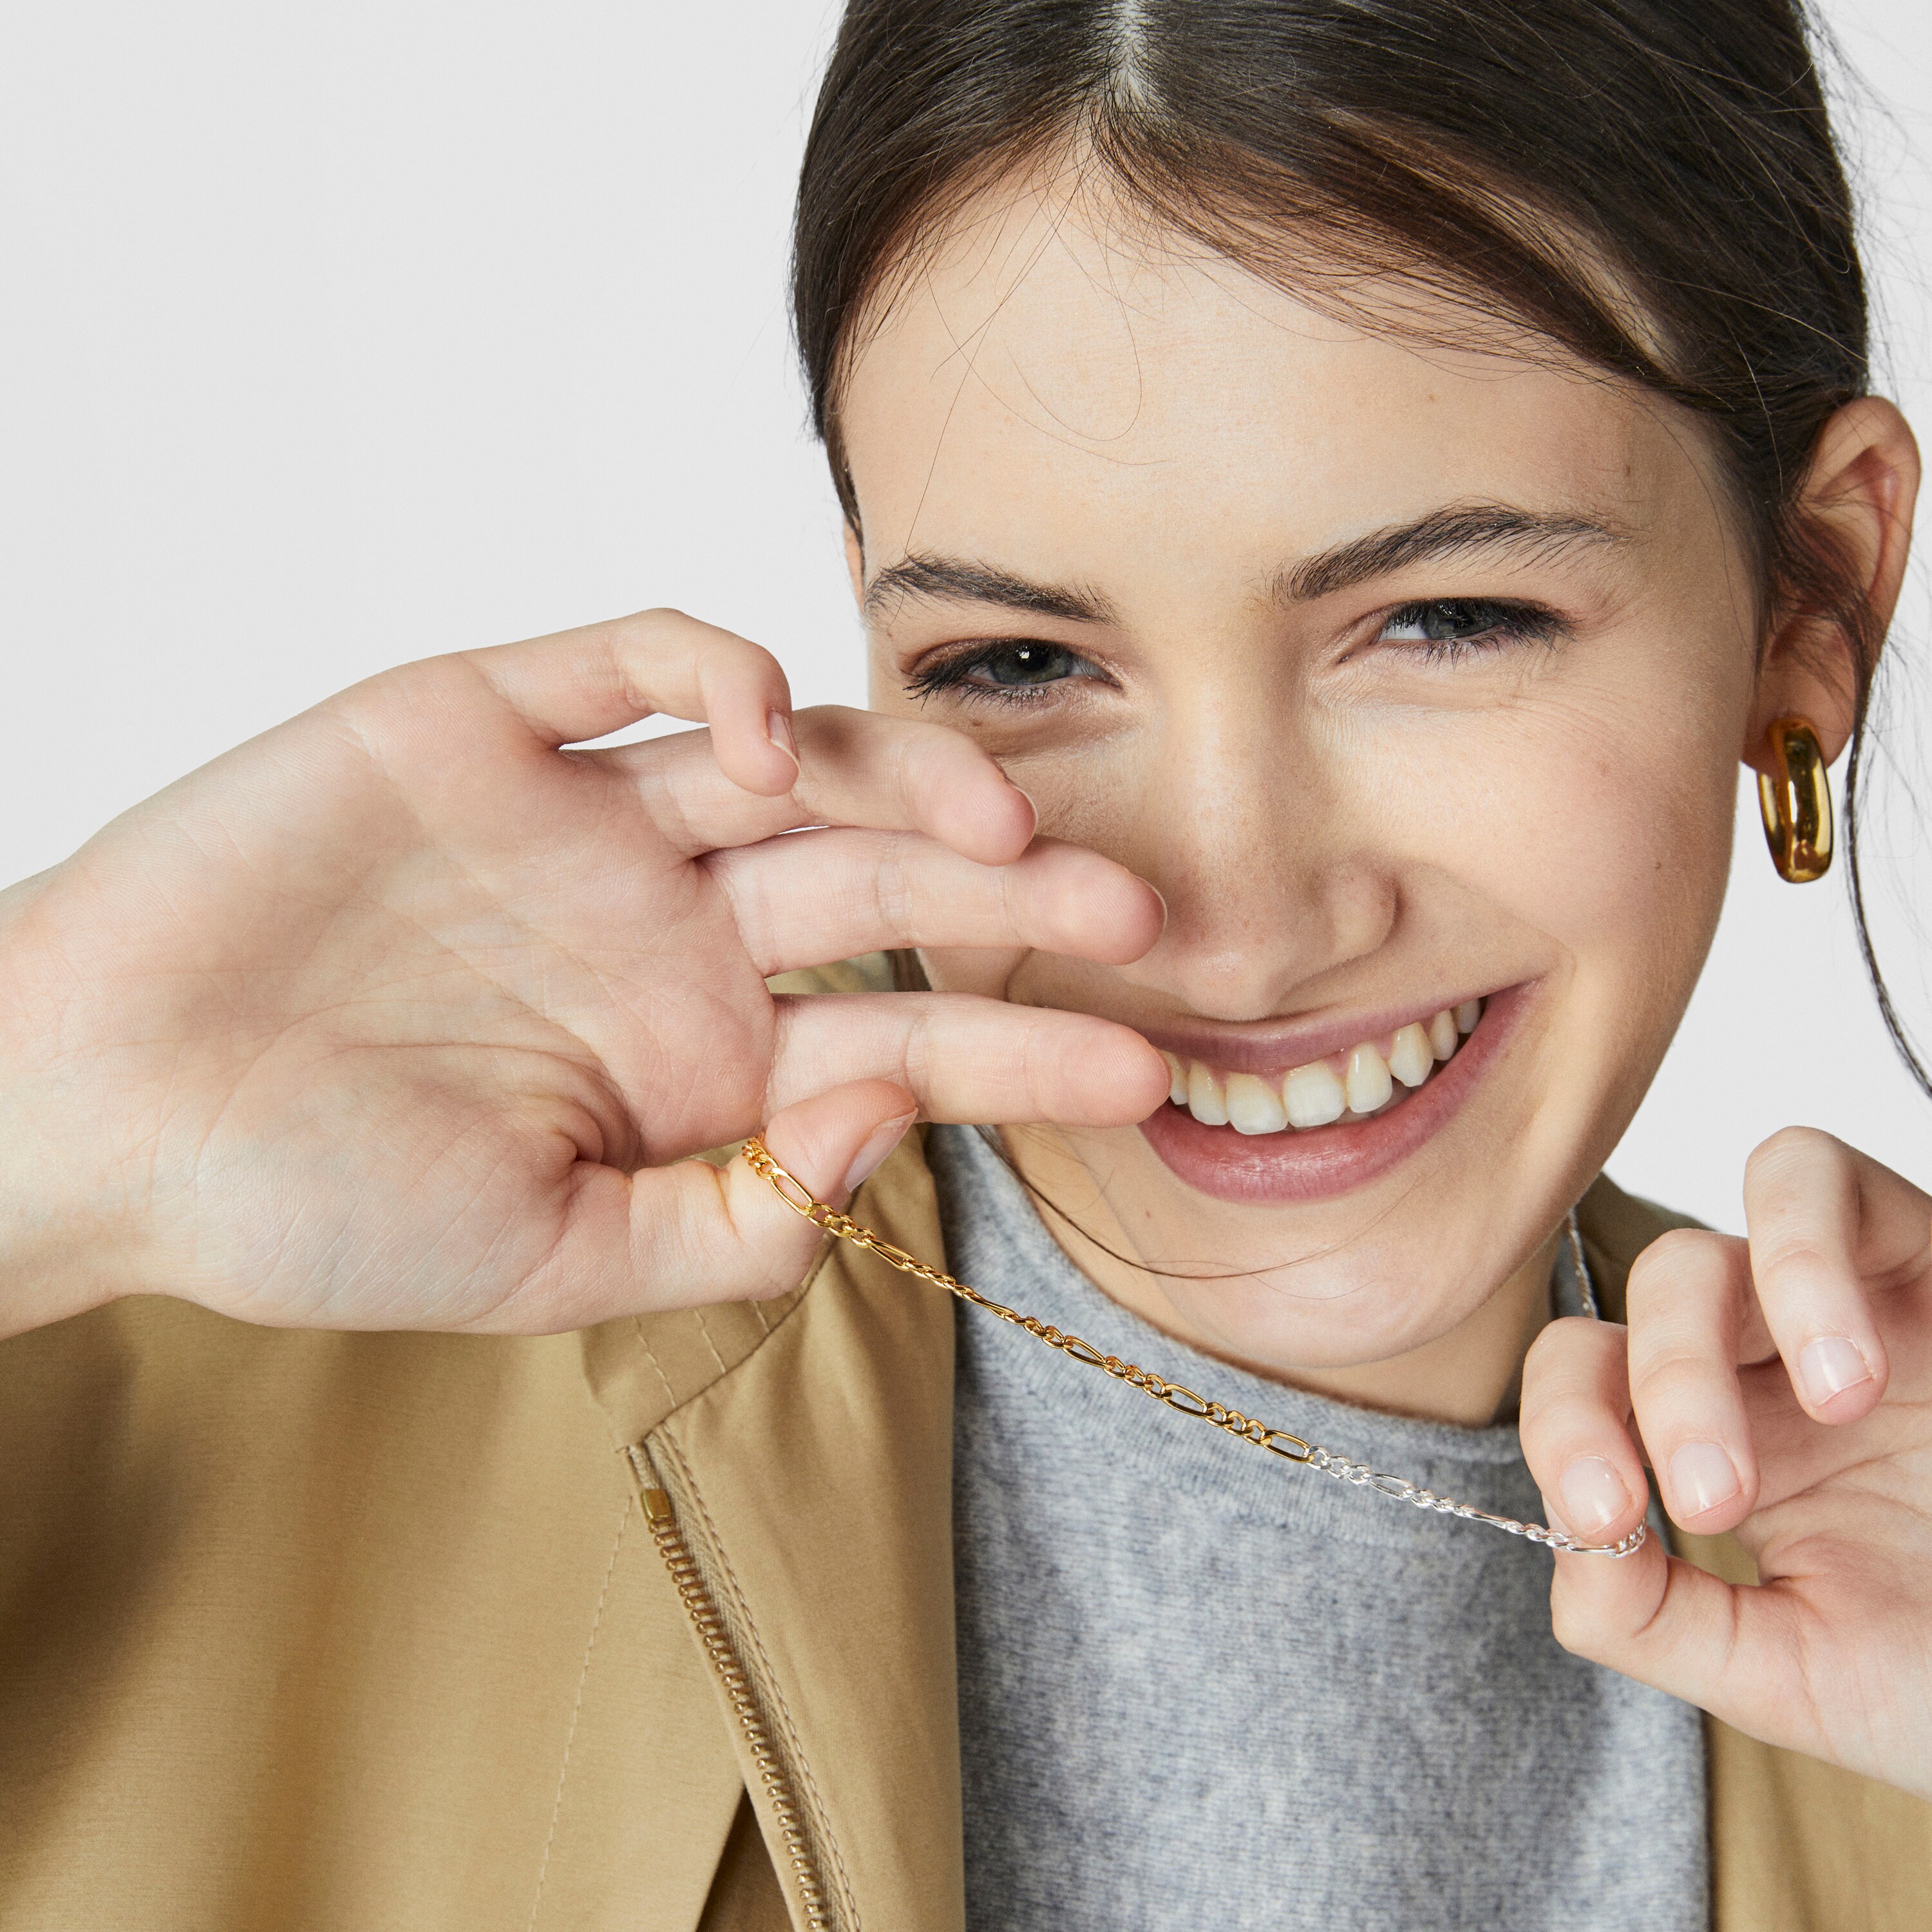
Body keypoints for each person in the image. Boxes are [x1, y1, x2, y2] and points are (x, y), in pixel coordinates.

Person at [3, 0, 1929, 1926]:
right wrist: (47, 1079)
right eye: (1020, 662)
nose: (1238, 921)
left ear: (1816, 600)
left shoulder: (1883, 1573)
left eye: (1445, 621)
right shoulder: (214, 1335)